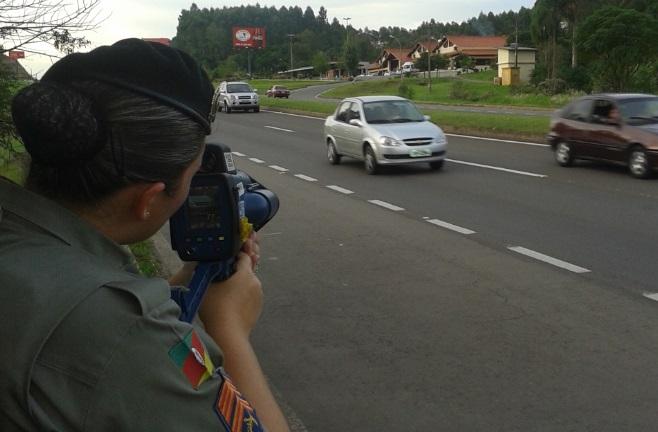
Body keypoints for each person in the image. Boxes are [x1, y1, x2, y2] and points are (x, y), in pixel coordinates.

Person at [0, 39, 290, 431]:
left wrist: (183, 284)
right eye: (192, 177)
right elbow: (116, 338)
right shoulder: (125, 336)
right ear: (148, 199)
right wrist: (229, 328)